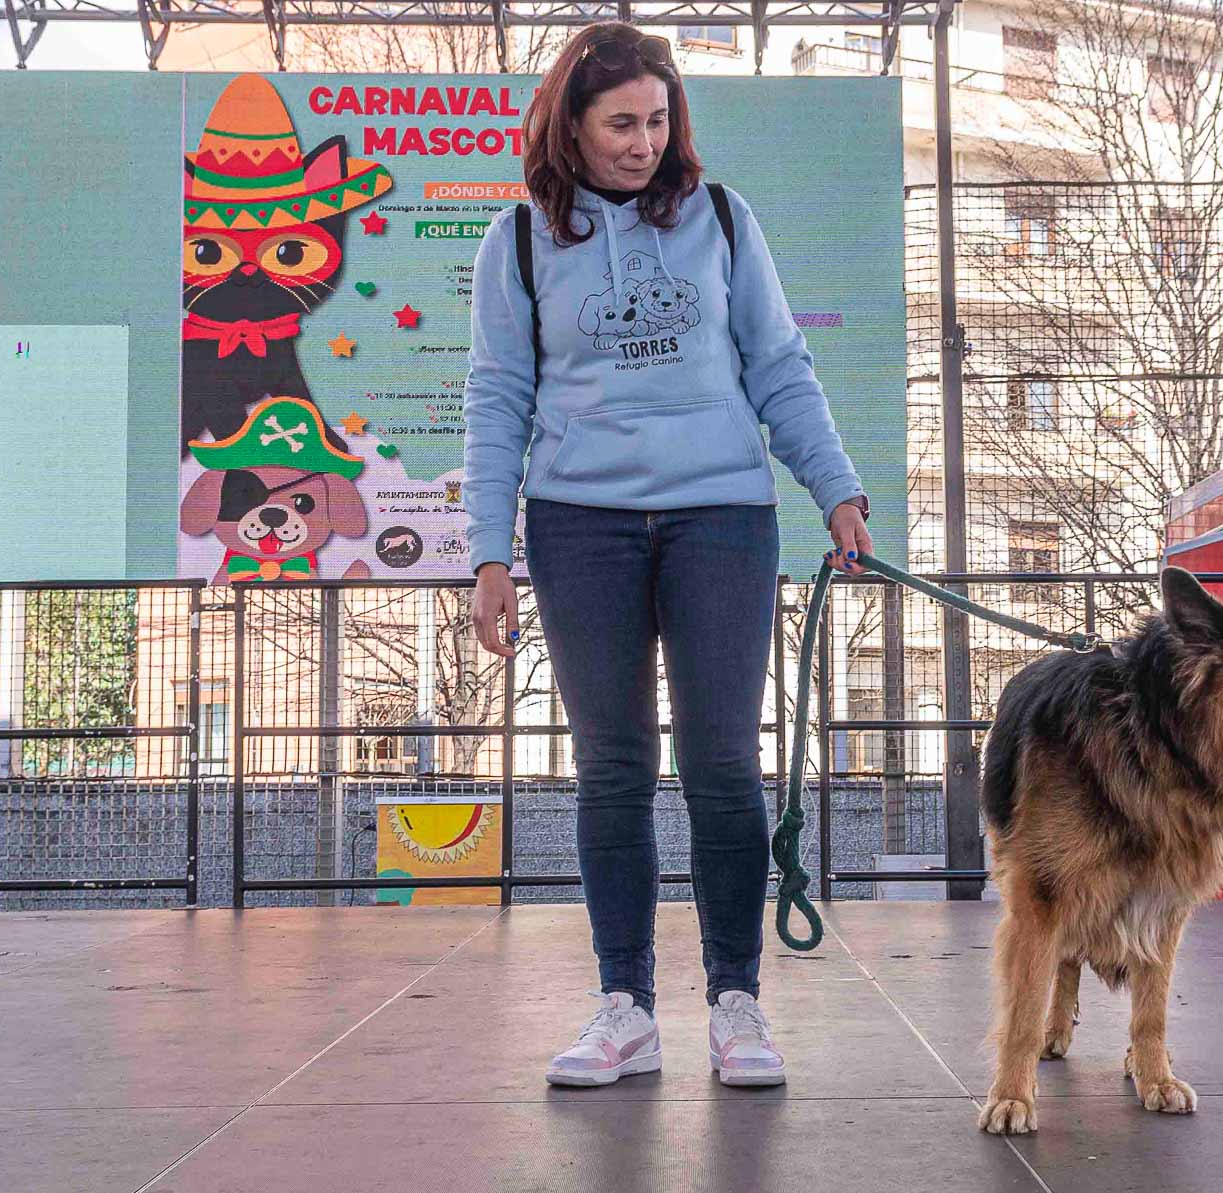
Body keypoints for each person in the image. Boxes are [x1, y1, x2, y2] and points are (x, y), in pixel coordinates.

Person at [462, 21, 873, 1090]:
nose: (642, 143)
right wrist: (485, 554)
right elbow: (496, 398)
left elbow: (779, 365)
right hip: (576, 520)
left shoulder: (723, 220)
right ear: (571, 125)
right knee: (612, 768)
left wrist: (836, 490)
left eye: (657, 120)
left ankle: (735, 998)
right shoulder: (515, 243)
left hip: (720, 517)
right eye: (619, 124)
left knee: (722, 764)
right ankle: (624, 1004)